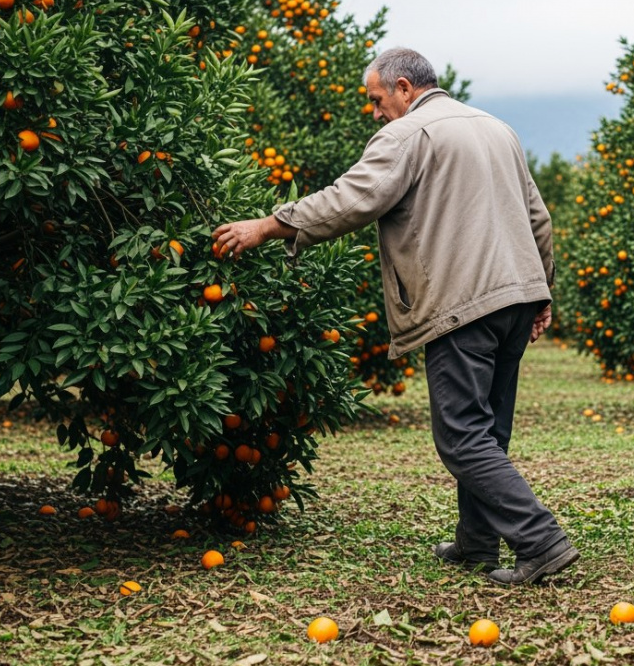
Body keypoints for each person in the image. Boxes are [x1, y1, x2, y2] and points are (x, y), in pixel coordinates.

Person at [211, 48, 578, 586]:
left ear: (404, 88)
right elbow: (537, 218)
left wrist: (269, 225)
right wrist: (540, 291)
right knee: (487, 432)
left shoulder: (409, 135)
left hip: (465, 303)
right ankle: (477, 543)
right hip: (516, 299)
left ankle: (541, 541)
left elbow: (353, 198)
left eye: (377, 100)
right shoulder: (498, 130)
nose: (376, 112)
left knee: (460, 437)